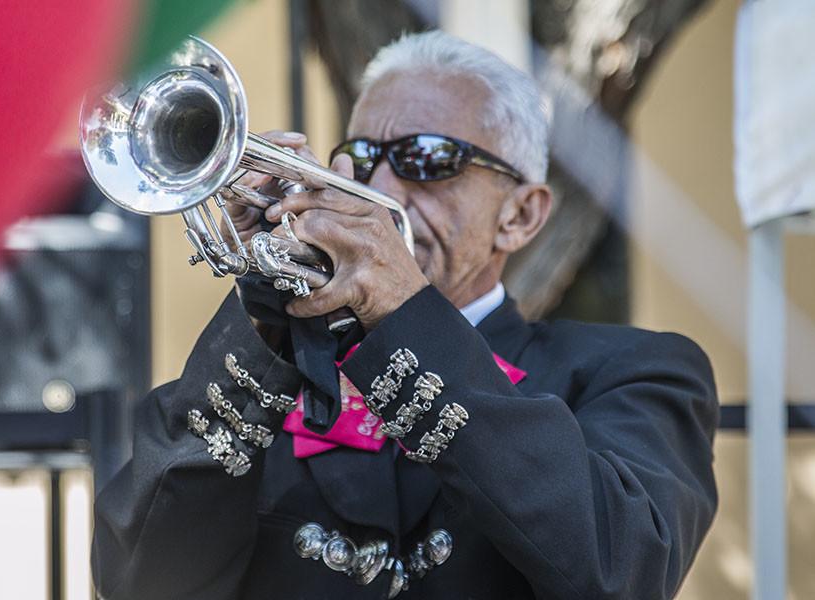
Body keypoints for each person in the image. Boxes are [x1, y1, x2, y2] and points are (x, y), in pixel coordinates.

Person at [91, 31, 718, 600]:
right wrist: (263, 321)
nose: (385, 188)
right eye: (361, 159)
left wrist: (401, 309)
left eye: (428, 158)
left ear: (521, 215)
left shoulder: (641, 372)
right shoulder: (260, 366)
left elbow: (626, 571)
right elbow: (138, 583)